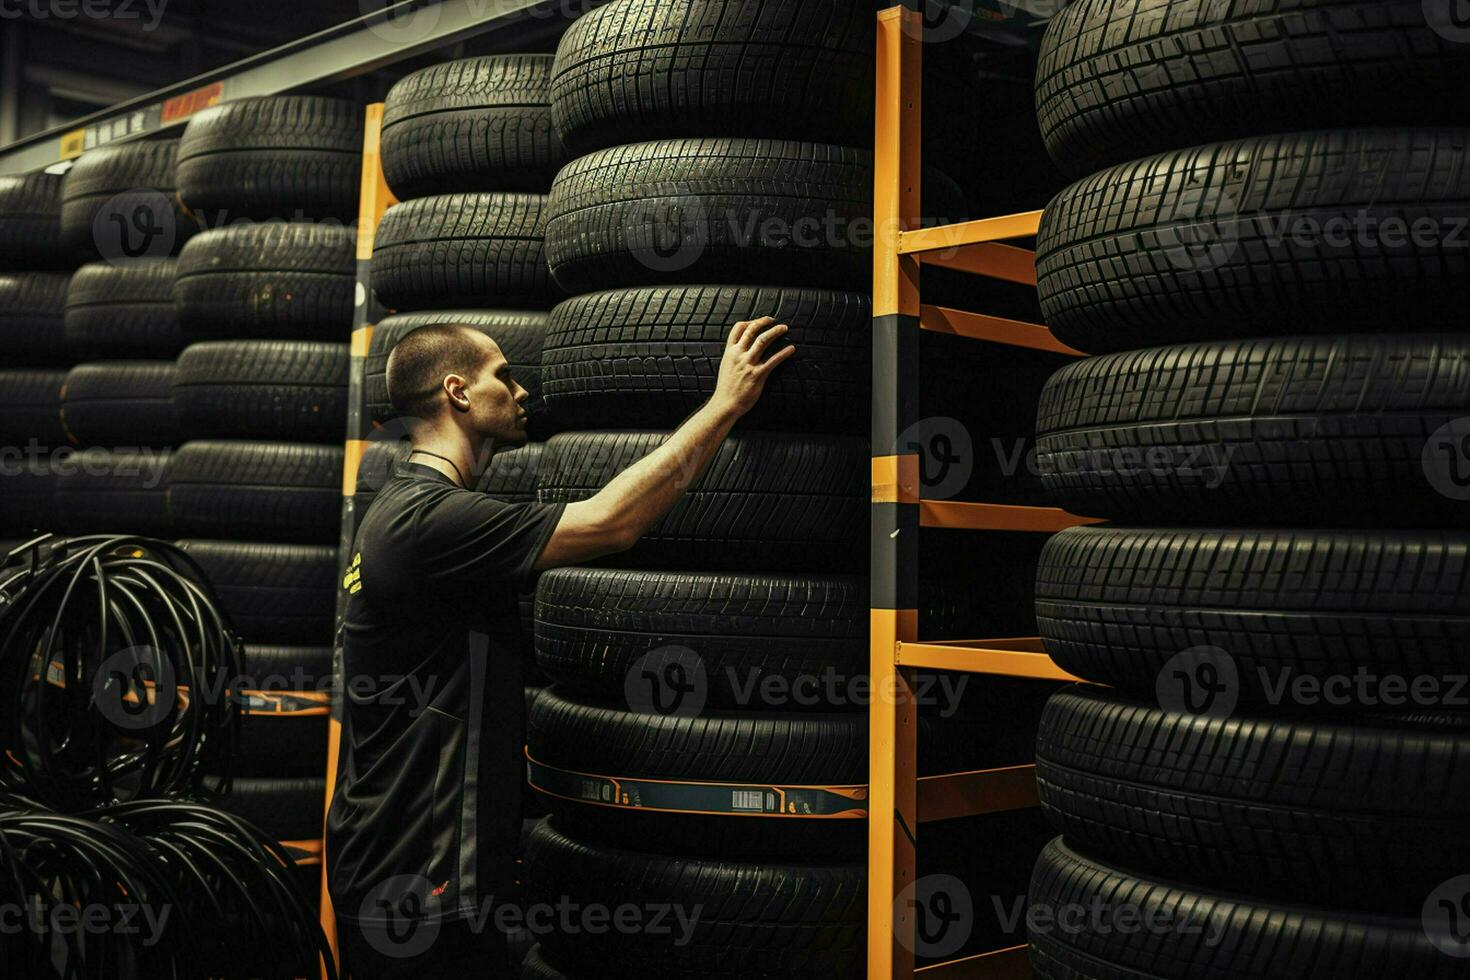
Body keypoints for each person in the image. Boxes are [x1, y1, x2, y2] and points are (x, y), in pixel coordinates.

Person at [325, 316, 796, 978]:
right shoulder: (427, 520)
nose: (522, 393)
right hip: (419, 871)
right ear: (458, 392)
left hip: (394, 857)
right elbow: (613, 521)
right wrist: (725, 405)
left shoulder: (405, 509)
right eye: (504, 376)